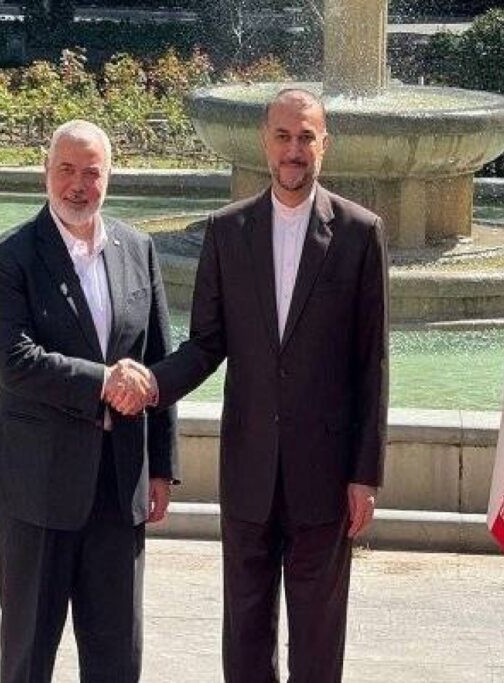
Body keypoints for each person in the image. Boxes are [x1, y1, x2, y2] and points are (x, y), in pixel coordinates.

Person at [109, 89, 389, 682]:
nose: (294, 150)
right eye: (283, 136)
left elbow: (373, 364)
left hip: (326, 476)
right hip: (248, 473)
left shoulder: (360, 233)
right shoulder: (227, 230)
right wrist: (152, 384)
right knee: (245, 638)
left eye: (306, 137)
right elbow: (206, 345)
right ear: (265, 142)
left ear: (324, 144)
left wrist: (365, 474)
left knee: (318, 641)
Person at [0, 119, 178, 683]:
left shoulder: (138, 249)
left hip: (118, 486)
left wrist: (161, 467)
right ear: (46, 172)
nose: (78, 185)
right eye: (66, 169)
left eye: (92, 172)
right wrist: (104, 381)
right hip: (35, 489)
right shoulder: (11, 255)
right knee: (28, 658)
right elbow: (15, 360)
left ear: (109, 177)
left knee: (117, 660)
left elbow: (157, 359)